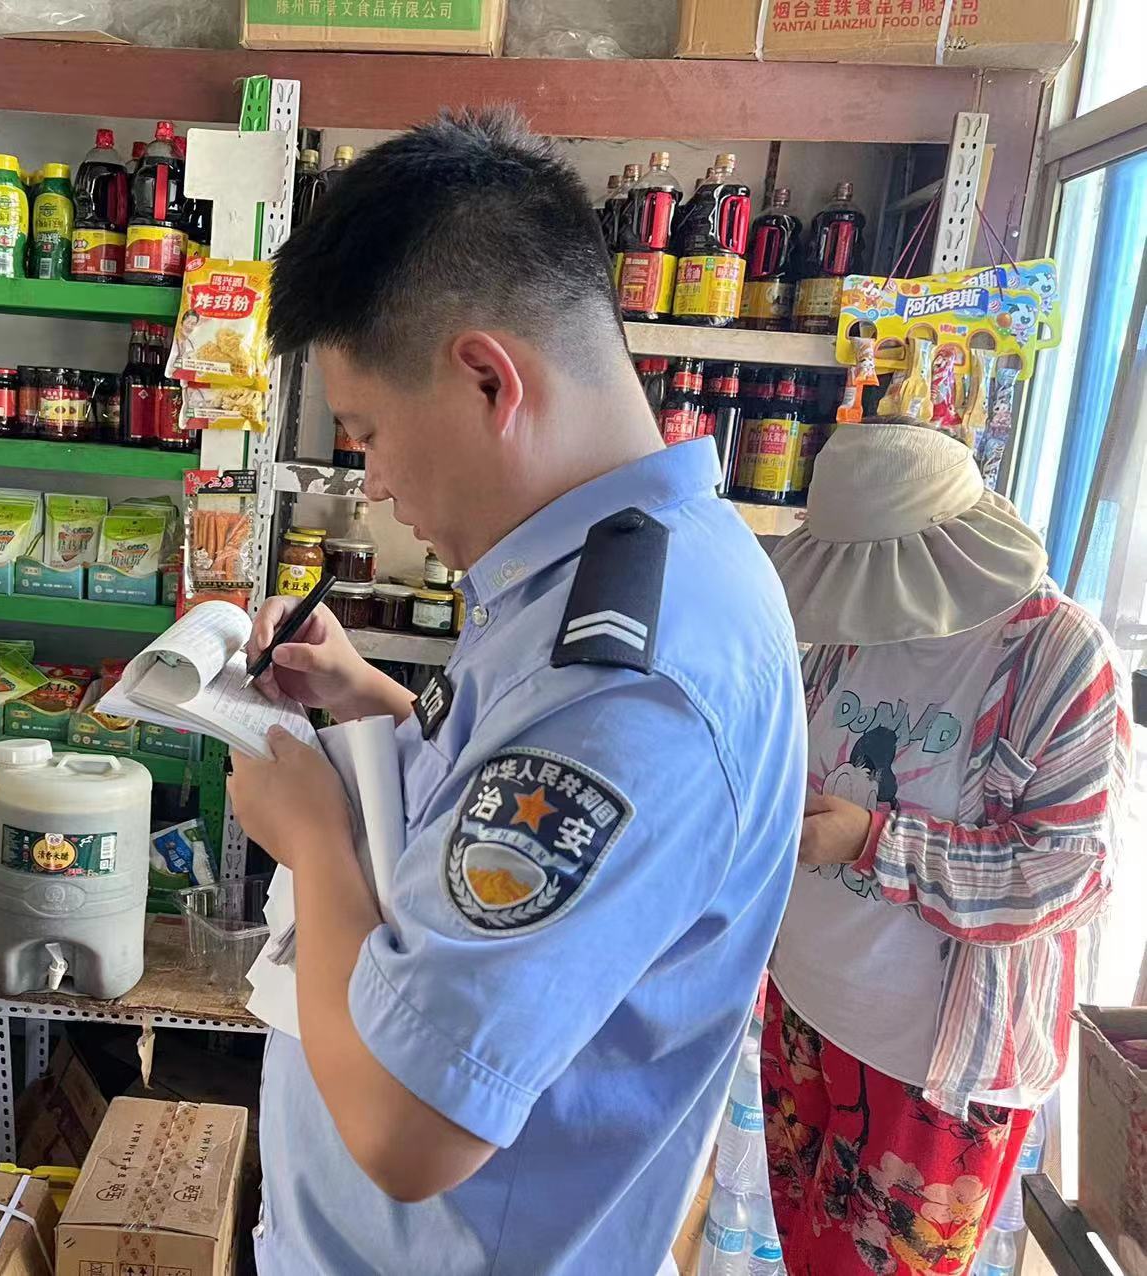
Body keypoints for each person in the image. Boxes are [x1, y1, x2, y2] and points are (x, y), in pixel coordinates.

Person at [225, 109, 808, 1274]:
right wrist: (369, 697)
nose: (372, 484)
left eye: (367, 433)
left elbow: (409, 1128)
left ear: (489, 379)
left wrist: (312, 842)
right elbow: (511, 807)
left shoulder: (627, 687)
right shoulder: (601, 568)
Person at [761, 421, 1129, 1276]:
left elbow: (1067, 873)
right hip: (805, 1010)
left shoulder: (1059, 656)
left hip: (935, 1071)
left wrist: (873, 841)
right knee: (801, 1255)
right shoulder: (848, 626)